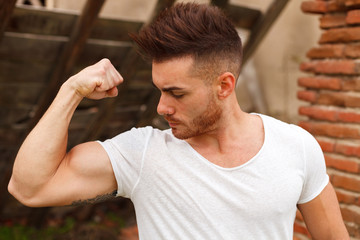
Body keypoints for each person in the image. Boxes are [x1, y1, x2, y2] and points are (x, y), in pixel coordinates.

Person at [8, 3, 349, 239]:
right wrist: (71, 90)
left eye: (176, 93)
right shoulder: (143, 154)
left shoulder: (296, 146)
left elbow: (333, 236)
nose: (161, 107)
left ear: (224, 85)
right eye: (159, 90)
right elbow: (30, 188)